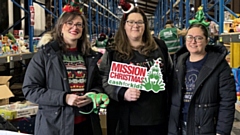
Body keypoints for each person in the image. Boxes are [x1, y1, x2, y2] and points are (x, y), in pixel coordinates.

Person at [22, 2, 107, 135]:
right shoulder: (45, 55)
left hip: (87, 124)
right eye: (70, 23)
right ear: (61, 27)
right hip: (55, 125)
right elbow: (30, 89)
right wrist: (64, 98)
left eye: (79, 24)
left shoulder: (89, 56)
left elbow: (98, 84)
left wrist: (93, 95)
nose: (75, 27)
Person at [99, 4, 172, 135]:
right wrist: (122, 93)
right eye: (131, 22)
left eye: (140, 22)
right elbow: (103, 79)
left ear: (145, 25)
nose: (135, 25)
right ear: (124, 25)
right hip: (126, 120)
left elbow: (170, 75)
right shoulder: (113, 50)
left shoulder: (159, 47)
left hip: (157, 118)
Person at [168, 8, 236, 135]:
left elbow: (227, 101)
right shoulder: (178, 62)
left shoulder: (219, 65)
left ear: (206, 40)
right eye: (190, 37)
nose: (193, 42)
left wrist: (222, 131)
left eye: (198, 38)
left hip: (205, 127)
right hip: (179, 126)